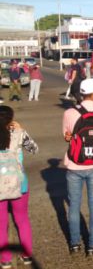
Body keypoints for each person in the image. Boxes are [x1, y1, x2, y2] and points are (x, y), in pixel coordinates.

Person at [62, 79, 93, 256]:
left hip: (74, 165)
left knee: (74, 205)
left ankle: (74, 244)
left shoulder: (69, 112)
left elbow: (66, 136)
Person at [0, 106, 38, 267]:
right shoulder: (19, 133)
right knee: (22, 219)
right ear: (11, 118)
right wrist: (21, 129)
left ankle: (5, 260)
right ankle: (27, 255)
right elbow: (34, 149)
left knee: (1, 224)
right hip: (19, 183)